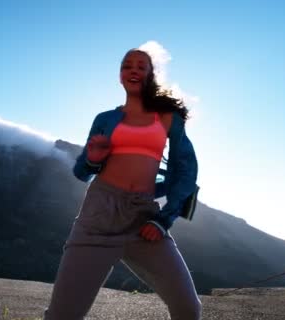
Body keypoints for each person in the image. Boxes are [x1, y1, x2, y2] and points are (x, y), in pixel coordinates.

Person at [44, 48, 201, 320]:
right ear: (120, 76)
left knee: (188, 308)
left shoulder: (168, 118)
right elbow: (82, 171)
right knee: (62, 316)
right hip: (99, 215)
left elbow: (186, 171)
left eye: (141, 66)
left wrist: (163, 219)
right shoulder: (104, 119)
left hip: (144, 218)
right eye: (127, 65)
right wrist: (93, 159)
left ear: (150, 75)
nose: (133, 70)